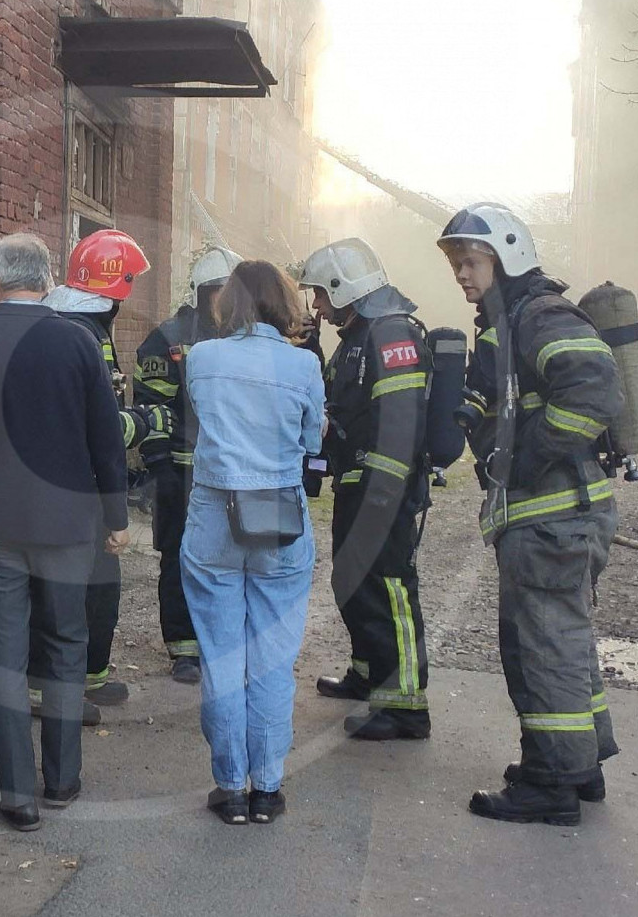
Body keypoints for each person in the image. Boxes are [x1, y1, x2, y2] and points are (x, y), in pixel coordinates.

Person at [0, 232, 131, 832]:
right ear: (49, 277)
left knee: (2, 656)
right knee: (65, 644)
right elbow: (105, 438)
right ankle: (61, 780)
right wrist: (116, 519)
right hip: (65, 526)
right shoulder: (78, 342)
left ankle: (17, 793)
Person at [438, 202, 622, 826]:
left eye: (471, 261)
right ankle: (580, 764)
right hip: (548, 521)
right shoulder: (507, 322)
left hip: (553, 518)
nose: (462, 274)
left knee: (543, 650)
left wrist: (524, 455)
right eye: (457, 263)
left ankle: (551, 784)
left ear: (508, 255)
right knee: (559, 644)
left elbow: (594, 388)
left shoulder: (538, 314)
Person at [179, 260, 324, 825]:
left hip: (214, 512)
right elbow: (313, 439)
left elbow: (200, 421)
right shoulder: (304, 364)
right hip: (278, 514)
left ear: (228, 301)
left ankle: (230, 788)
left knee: (221, 655)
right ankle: (267, 788)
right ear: (281, 303)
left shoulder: (203, 358)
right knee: (272, 659)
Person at [296, 238, 434, 741]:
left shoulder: (392, 334)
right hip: (359, 483)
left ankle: (405, 706)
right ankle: (368, 673)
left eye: (320, 294)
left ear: (342, 286)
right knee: (353, 583)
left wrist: (382, 494)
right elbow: (339, 406)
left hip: (384, 490)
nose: (316, 304)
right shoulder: (357, 336)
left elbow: (400, 424)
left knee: (389, 588)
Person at [37, 229, 164, 719]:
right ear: (113, 290)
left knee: (83, 588)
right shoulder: (87, 332)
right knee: (89, 589)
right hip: (80, 487)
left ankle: (85, 679)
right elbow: (101, 425)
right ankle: (68, 688)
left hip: (60, 483)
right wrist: (148, 423)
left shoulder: (68, 322)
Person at [135, 244, 240, 685]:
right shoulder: (169, 337)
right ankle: (184, 649)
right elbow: (151, 403)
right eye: (218, 291)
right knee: (177, 556)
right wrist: (158, 468)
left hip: (232, 473)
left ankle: (223, 643)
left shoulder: (246, 336)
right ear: (201, 293)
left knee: (230, 557)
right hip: (180, 472)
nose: (226, 300)